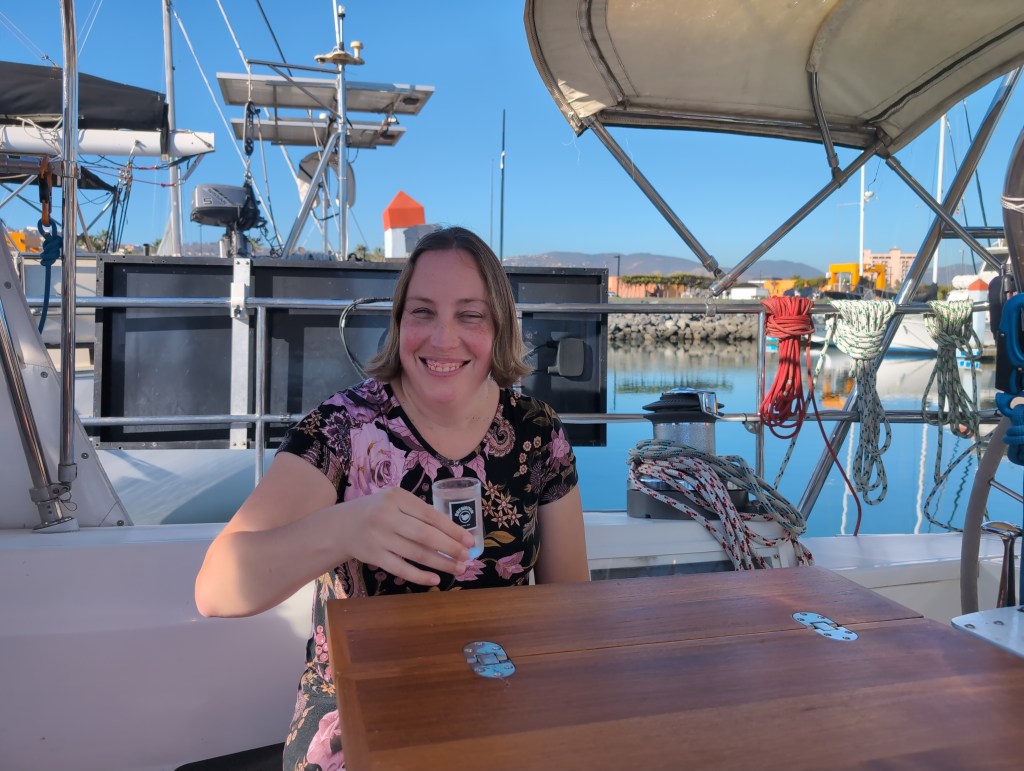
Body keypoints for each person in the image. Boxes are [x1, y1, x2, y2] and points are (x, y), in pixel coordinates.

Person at [194, 225, 589, 771]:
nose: (443, 338)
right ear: (398, 322)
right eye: (422, 312)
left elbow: (572, 608)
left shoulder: (537, 432)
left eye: (470, 315)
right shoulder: (342, 428)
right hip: (359, 718)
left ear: (499, 326)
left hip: (500, 705)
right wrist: (346, 528)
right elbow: (215, 588)